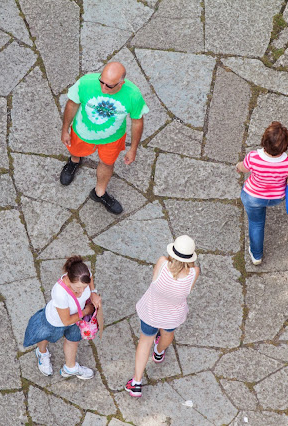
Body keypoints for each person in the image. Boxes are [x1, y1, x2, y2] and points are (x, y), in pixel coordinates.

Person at [59, 61, 149, 215]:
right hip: (82, 132)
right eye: (102, 82)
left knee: (107, 164)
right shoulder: (86, 83)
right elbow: (72, 105)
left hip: (112, 139)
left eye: (109, 86)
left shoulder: (133, 95)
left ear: (121, 83)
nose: (103, 88)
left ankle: (99, 193)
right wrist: (65, 129)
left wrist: (133, 149)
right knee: (75, 150)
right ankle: (74, 161)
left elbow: (137, 122)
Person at [125, 236, 200, 397]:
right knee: (167, 333)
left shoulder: (162, 262)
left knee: (145, 341)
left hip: (151, 311)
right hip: (172, 315)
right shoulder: (194, 272)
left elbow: (154, 280)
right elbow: (189, 291)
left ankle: (136, 383)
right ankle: (158, 352)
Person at [236, 121, 288, 265]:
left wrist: (238, 166)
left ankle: (256, 256)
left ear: (264, 141)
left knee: (256, 223)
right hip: (276, 197)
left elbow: (243, 168)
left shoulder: (253, 157)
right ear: (285, 145)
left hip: (253, 197)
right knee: (258, 220)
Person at [23, 256, 102, 379]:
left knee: (73, 340)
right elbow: (66, 320)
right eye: (77, 288)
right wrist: (86, 311)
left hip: (76, 319)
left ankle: (70, 368)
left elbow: (90, 277)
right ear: (68, 279)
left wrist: (93, 292)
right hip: (55, 322)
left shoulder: (83, 275)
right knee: (44, 337)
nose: (81, 291)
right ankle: (42, 353)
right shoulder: (60, 293)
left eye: (84, 287)